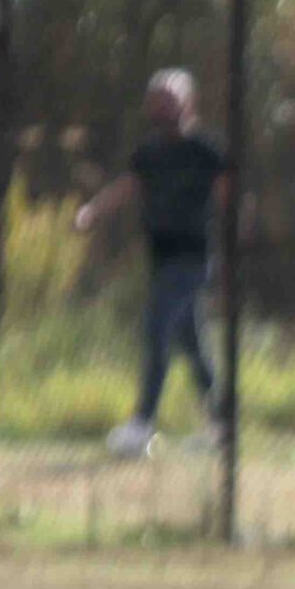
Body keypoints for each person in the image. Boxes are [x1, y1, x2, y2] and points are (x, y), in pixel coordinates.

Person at [74, 69, 227, 458]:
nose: (162, 109)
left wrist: (236, 245)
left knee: (157, 327)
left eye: (169, 101)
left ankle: (142, 424)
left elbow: (229, 194)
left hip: (193, 260)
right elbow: (127, 187)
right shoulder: (149, 153)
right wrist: (92, 211)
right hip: (162, 259)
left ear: (188, 103)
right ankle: (224, 424)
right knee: (192, 345)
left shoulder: (206, 150)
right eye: (156, 101)